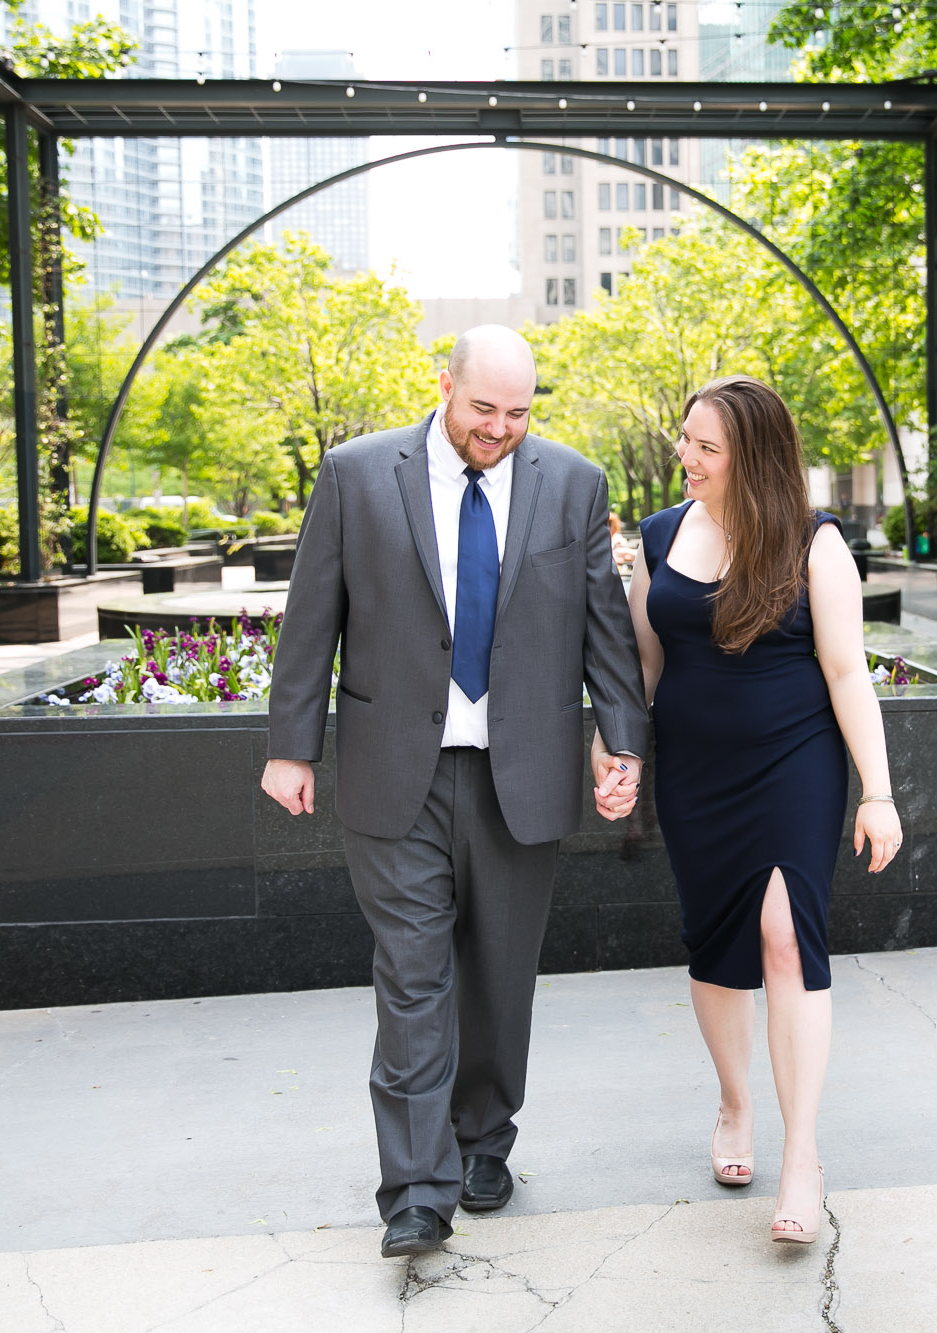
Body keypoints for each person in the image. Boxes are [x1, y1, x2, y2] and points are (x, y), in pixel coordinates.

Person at [261, 326, 648, 1259]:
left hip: (523, 771)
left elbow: (605, 628)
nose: (500, 430)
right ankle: (416, 1188)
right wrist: (291, 745)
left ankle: (484, 1142)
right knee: (413, 979)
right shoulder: (357, 474)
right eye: (483, 409)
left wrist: (621, 740)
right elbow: (314, 612)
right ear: (445, 387)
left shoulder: (572, 481)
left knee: (500, 978)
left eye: (519, 413)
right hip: (398, 771)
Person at [609, 374, 902, 1245]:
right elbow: (643, 667)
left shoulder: (815, 546)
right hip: (697, 773)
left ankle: (802, 1155)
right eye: (685, 441)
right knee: (714, 939)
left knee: (784, 933)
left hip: (794, 765)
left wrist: (878, 793)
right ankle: (734, 1103)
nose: (686, 459)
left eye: (707, 447)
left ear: (754, 457)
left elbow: (848, 672)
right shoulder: (661, 538)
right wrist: (620, 748)